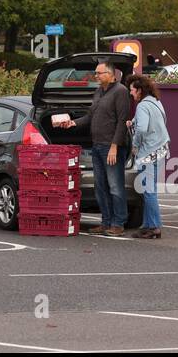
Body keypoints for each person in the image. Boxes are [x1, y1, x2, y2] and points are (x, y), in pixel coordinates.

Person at [55, 60, 131, 236]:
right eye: (96, 73)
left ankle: (118, 223)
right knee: (101, 186)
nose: (96, 76)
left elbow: (122, 122)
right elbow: (90, 116)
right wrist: (72, 123)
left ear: (111, 75)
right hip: (97, 146)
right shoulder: (99, 91)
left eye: (99, 73)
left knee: (115, 186)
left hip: (111, 147)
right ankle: (106, 222)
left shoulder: (121, 91)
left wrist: (114, 147)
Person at [126, 73, 170, 239]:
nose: (131, 93)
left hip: (148, 152)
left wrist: (135, 146)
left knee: (148, 190)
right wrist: (133, 122)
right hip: (161, 149)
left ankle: (154, 227)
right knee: (149, 189)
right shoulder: (155, 102)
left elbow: (143, 129)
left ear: (139, 90)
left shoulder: (142, 106)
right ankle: (147, 224)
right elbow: (156, 123)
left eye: (132, 90)